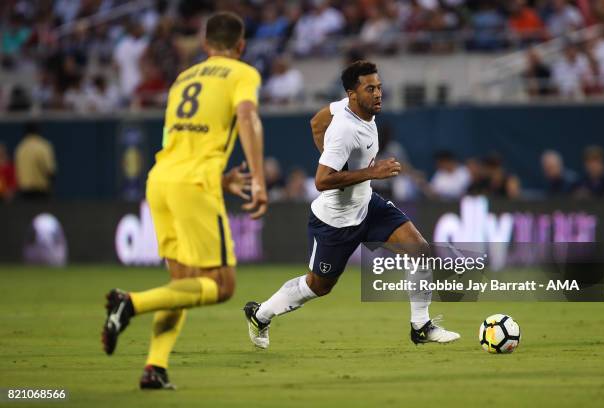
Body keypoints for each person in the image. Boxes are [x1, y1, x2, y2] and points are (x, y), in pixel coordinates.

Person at [102, 12, 268, 390]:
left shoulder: (182, 79)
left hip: (161, 179)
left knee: (182, 284)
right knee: (222, 286)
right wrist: (258, 179)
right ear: (240, 46)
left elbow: (176, 140)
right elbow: (247, 117)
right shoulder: (243, 73)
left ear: (206, 46)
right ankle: (131, 303)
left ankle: (154, 368)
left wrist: (219, 177)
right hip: (193, 184)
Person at [243, 61, 460, 350]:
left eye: (379, 87)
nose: (378, 94)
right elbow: (321, 180)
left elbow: (316, 122)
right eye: (370, 89)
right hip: (335, 222)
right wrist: (369, 171)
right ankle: (260, 314)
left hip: (367, 205)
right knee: (317, 287)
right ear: (353, 94)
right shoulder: (345, 131)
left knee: (419, 249)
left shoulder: (344, 108)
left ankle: (421, 326)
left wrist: (345, 167)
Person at [15, 122, 56, 200]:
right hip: (41, 192)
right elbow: (50, 170)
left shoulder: (20, 147)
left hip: (24, 192)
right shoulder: (43, 146)